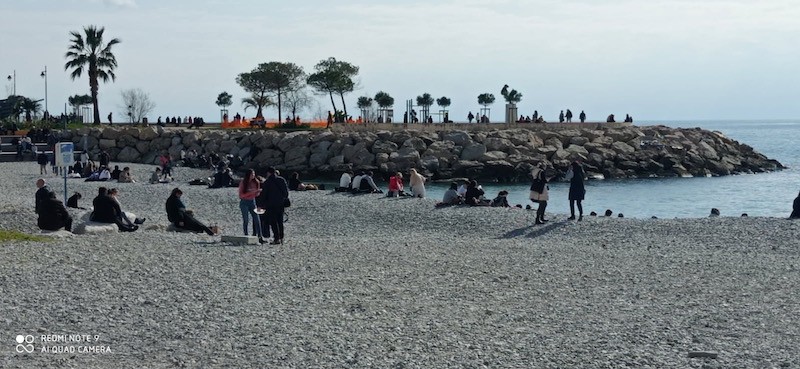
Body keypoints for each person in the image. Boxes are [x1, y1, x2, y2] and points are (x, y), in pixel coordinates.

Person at [261, 167, 289, 245]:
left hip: (271, 205)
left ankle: (276, 238)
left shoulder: (267, 182)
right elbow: (286, 193)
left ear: (268, 173)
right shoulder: (282, 180)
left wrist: (262, 204)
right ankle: (281, 237)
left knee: (273, 222)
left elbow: (264, 195)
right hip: (280, 204)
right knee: (280, 221)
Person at [238, 169, 264, 242]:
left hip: (252, 201)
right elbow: (241, 195)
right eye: (252, 174)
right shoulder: (243, 183)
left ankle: (260, 237)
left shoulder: (256, 182)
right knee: (246, 219)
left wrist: (257, 192)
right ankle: (246, 235)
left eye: (254, 174)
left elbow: (256, 194)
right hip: (244, 202)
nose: (253, 175)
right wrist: (252, 192)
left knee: (257, 219)